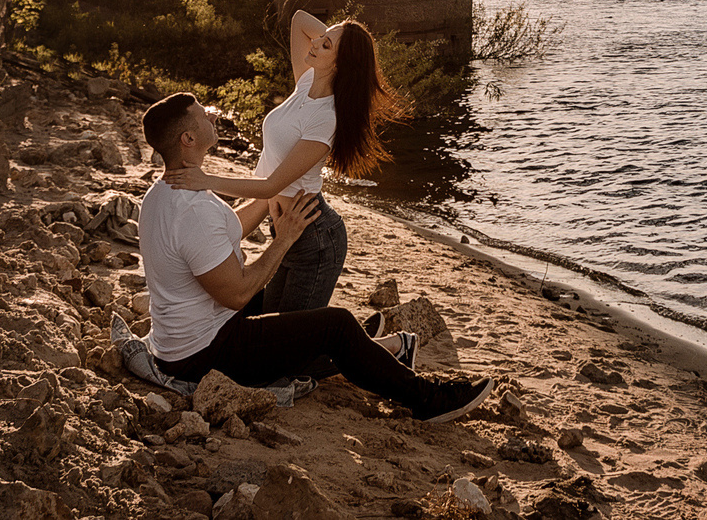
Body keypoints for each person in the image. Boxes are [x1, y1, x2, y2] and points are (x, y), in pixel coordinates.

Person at [116, 92, 492, 422]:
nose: (212, 115)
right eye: (203, 116)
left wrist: (270, 194)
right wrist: (285, 237)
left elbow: (225, 231)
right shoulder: (193, 210)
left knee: (294, 306)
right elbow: (235, 295)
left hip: (187, 340)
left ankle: (382, 348)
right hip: (205, 353)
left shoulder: (162, 193)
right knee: (336, 325)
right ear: (188, 138)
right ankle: (428, 400)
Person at [161, 11, 413, 314]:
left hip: (314, 237)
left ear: (340, 62)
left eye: (326, 46)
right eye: (321, 38)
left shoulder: (326, 118)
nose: (316, 43)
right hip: (283, 228)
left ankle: (388, 346)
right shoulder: (306, 81)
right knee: (274, 328)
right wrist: (341, 38)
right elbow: (299, 20)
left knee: (292, 340)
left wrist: (206, 180)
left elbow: (271, 185)